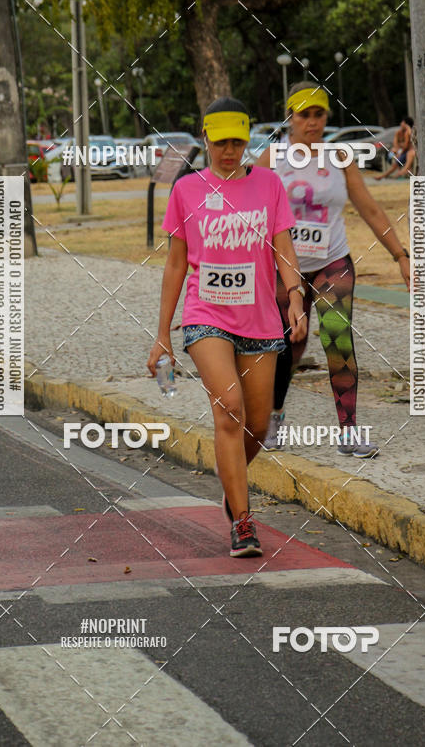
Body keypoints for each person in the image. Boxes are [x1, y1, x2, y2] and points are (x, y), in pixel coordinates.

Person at [147, 97, 307, 557]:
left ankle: (231, 486)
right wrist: (163, 334)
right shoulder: (187, 191)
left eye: (238, 141)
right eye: (221, 143)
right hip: (206, 317)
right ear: (206, 139)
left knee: (256, 424)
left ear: (247, 139)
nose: (230, 150)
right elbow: (176, 266)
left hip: (260, 321)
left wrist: (294, 296)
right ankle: (243, 520)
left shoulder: (269, 186)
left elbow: (283, 250)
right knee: (230, 409)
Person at [256, 81, 411, 458]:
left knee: (338, 342)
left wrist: (401, 256)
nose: (312, 122)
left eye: (318, 114)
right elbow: (249, 212)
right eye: (303, 115)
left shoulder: (339, 158)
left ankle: (349, 431)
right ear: (290, 117)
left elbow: (370, 209)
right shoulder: (271, 159)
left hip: (332, 260)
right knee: (287, 345)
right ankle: (273, 417)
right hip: (284, 266)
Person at [375, 117, 415, 181]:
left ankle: (400, 173)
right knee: (393, 157)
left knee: (399, 163)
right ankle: (384, 176)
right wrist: (399, 150)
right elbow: (395, 144)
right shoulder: (399, 132)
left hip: (406, 152)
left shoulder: (408, 132)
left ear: (405, 124)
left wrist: (400, 151)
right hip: (401, 152)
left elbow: (406, 145)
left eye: (402, 122)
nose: (400, 124)